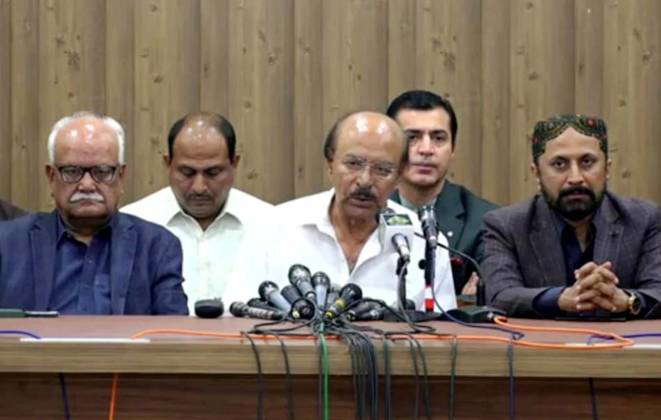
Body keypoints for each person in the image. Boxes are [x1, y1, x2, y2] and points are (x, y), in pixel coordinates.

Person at [225, 111, 457, 311]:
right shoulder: (274, 227)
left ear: (399, 175)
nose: (365, 181)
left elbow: (445, 341)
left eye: (383, 170)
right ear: (330, 164)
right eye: (353, 164)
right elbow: (236, 317)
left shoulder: (424, 243)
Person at [0, 111, 188, 315]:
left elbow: (173, 335)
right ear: (51, 177)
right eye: (72, 171)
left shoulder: (156, 246)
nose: (87, 185)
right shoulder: (7, 244)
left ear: (121, 177)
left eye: (102, 172)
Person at [482, 114, 661, 319]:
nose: (575, 178)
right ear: (537, 173)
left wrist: (628, 300)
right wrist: (560, 298)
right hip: (541, 349)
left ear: (607, 168)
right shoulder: (506, 226)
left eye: (587, 162)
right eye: (560, 164)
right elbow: (500, 295)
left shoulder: (644, 219)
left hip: (620, 348)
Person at [121, 112, 273, 312]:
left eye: (213, 173)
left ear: (234, 163)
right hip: (160, 340)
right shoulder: (133, 224)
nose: (199, 187)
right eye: (187, 173)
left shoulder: (269, 223)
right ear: (168, 164)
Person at [387, 90, 497, 298]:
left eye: (438, 138)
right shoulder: (369, 214)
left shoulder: (486, 222)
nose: (426, 149)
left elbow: (483, 299)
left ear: (453, 149)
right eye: (412, 138)